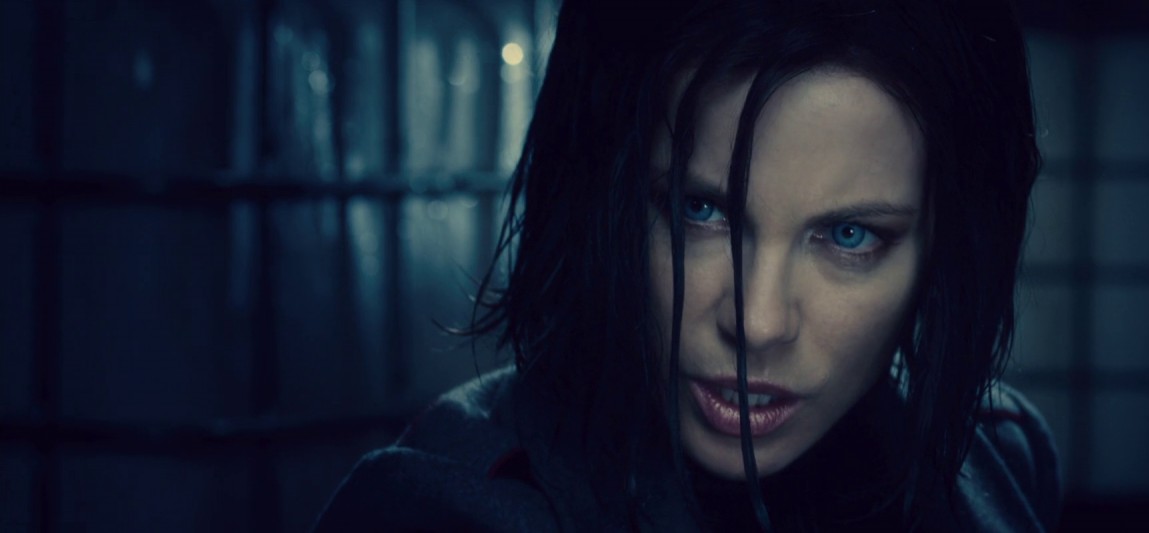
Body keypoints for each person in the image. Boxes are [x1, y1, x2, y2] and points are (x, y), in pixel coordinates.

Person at [314, 0, 1060, 530]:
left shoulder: (998, 455)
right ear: (602, 196)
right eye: (699, 210)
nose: (757, 321)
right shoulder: (447, 507)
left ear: (942, 249)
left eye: (851, 235)